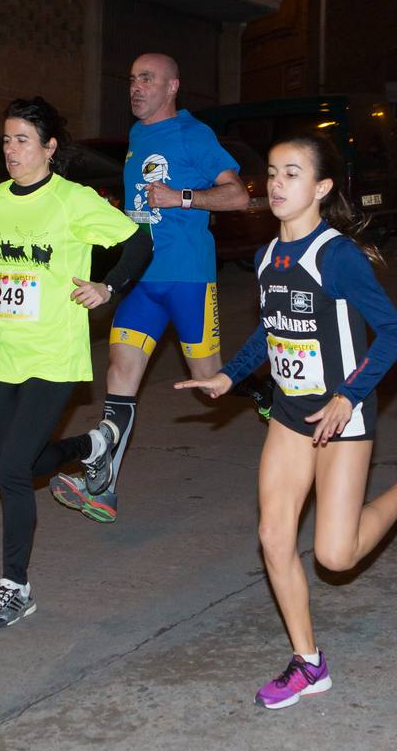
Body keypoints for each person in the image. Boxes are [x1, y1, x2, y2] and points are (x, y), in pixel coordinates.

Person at [175, 132, 397, 708]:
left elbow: (394, 333)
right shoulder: (266, 258)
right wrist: (230, 376)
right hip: (289, 412)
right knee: (273, 535)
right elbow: (272, 329)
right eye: (273, 173)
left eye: (292, 173)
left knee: (336, 556)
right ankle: (308, 663)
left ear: (321, 188)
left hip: (342, 413)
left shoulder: (337, 256)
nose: (277, 184)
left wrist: (348, 395)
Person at [0, 97, 152, 628]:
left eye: (23, 140)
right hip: (3, 352)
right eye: (6, 139)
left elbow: (138, 242)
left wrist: (108, 285)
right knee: (12, 467)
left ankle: (14, 586)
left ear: (50, 148)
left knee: (10, 470)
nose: (11, 149)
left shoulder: (74, 201)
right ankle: (94, 445)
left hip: (54, 352)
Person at [49, 53, 252, 524]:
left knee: (210, 383)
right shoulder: (138, 136)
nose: (136, 87)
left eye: (147, 79)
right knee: (120, 370)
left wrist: (181, 197)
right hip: (141, 280)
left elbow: (238, 195)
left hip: (187, 279)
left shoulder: (193, 135)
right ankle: (102, 486)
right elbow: (143, 208)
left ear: (173, 86)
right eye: (133, 78)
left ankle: (268, 394)